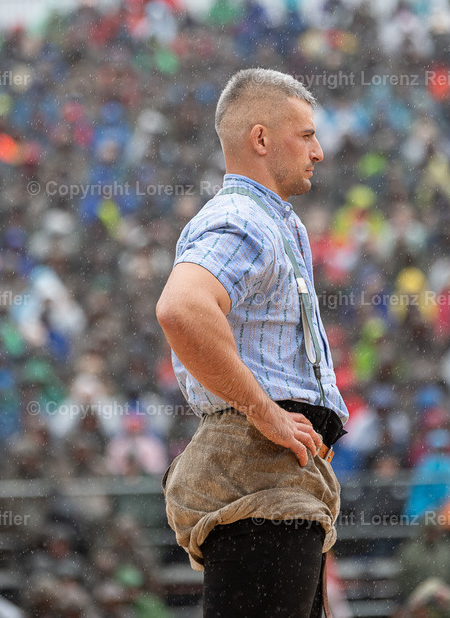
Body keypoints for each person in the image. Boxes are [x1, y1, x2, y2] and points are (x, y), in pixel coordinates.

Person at [156, 68, 348, 617]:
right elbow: (181, 307)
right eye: (306, 134)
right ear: (261, 139)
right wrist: (263, 411)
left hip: (273, 476)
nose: (318, 151)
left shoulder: (269, 220)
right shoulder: (243, 218)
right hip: (258, 475)